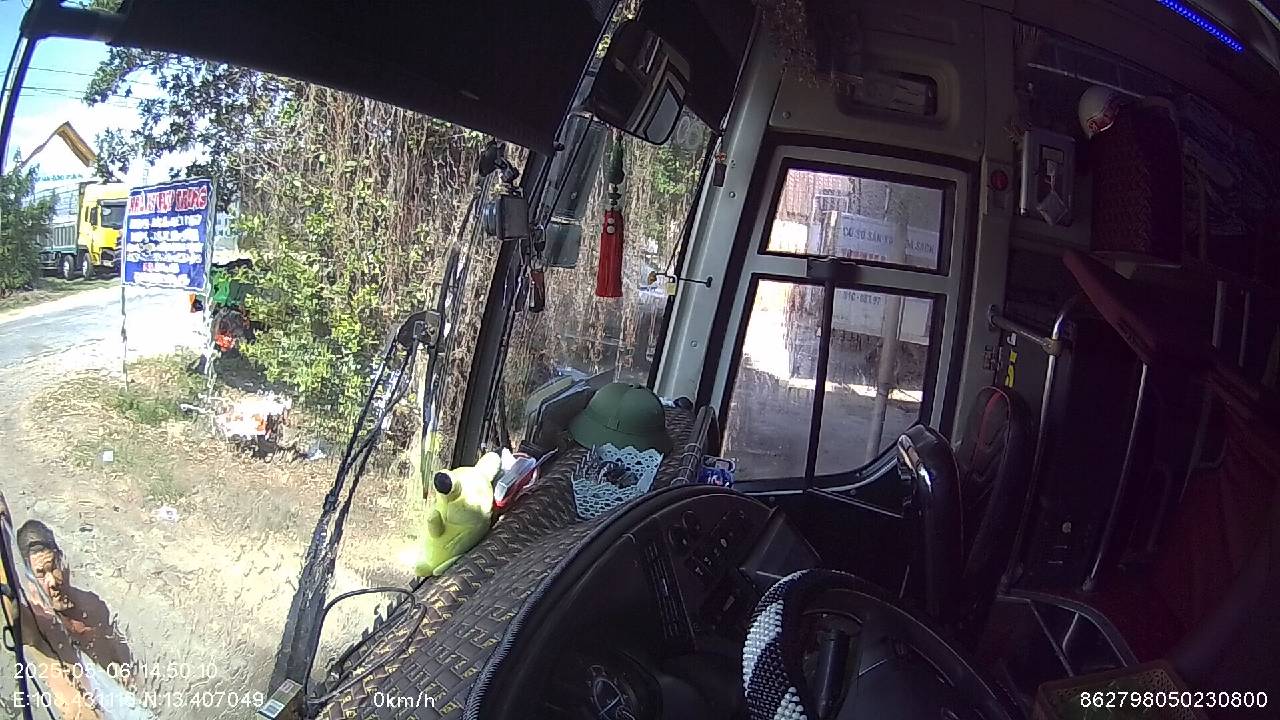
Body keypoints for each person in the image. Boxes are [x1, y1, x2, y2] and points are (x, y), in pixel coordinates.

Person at [16, 520, 133, 675]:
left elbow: (119, 651)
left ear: (63, 562)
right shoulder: (38, 622)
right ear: (31, 581)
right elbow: (11, 611)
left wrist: (127, 672)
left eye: (54, 567)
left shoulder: (92, 605)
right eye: (41, 574)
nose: (52, 581)